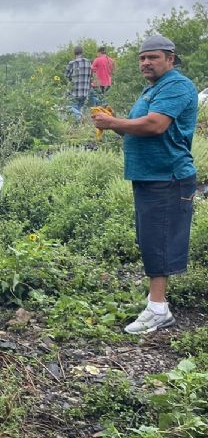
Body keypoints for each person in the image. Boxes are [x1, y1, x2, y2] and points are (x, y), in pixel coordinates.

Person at [92, 35, 198, 334]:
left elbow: (155, 125)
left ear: (170, 58)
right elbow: (138, 130)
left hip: (168, 176)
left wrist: (112, 123)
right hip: (149, 175)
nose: (146, 62)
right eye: (142, 58)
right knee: (150, 239)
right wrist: (115, 123)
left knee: (159, 240)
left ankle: (158, 309)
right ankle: (155, 300)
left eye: (153, 57)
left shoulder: (177, 85)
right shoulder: (152, 89)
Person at [65, 45, 93, 119]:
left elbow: (66, 76)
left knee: (71, 108)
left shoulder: (72, 63)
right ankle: (79, 124)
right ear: (82, 52)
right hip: (85, 91)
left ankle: (81, 118)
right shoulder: (88, 62)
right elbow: (90, 76)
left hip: (75, 92)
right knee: (79, 109)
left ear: (74, 53)